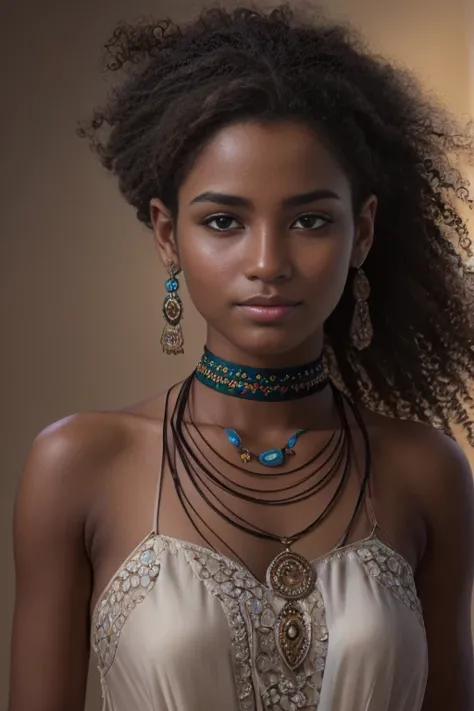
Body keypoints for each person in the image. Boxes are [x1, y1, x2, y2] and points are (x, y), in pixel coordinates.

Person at [8, 4, 474, 711]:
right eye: (224, 221)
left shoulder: (427, 473)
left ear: (364, 232)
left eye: (310, 221)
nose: (267, 262)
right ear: (168, 234)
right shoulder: (79, 465)